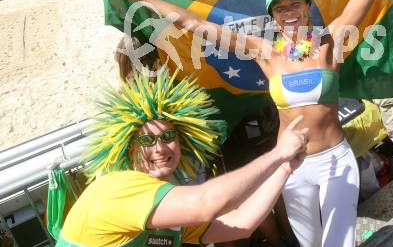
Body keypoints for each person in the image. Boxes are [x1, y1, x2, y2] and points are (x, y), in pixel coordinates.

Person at [108, 0, 393, 247]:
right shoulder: (264, 51)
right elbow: (194, 25)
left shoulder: (330, 42)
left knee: (338, 242)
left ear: (307, 7)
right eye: (281, 8)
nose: (289, 12)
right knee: (308, 243)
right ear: (273, 16)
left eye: (295, 4)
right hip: (291, 164)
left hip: (336, 160)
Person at [56, 70, 309, 247]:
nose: (160, 148)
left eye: (168, 136)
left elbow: (239, 224)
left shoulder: (163, 203)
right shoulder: (118, 187)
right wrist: (277, 154)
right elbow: (205, 203)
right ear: (130, 150)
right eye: (146, 140)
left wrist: (284, 168)